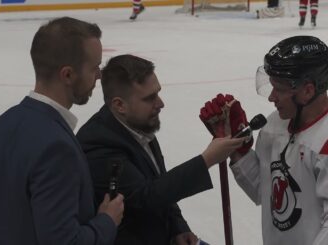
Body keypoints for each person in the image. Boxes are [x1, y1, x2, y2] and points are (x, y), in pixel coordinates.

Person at [200, 36, 328, 245]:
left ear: (307, 90)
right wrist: (238, 151)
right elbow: (265, 192)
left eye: (280, 89)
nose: (271, 97)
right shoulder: (274, 125)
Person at [76, 54, 246, 245]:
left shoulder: (137, 123)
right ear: (119, 105)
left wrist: (178, 227)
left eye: (157, 93)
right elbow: (146, 197)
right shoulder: (99, 144)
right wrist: (206, 159)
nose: (161, 103)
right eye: (150, 98)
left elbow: (161, 183)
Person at [0, 17, 124, 245]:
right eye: (95, 68)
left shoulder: (4, 122)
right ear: (68, 75)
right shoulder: (56, 147)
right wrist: (107, 220)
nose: (99, 76)